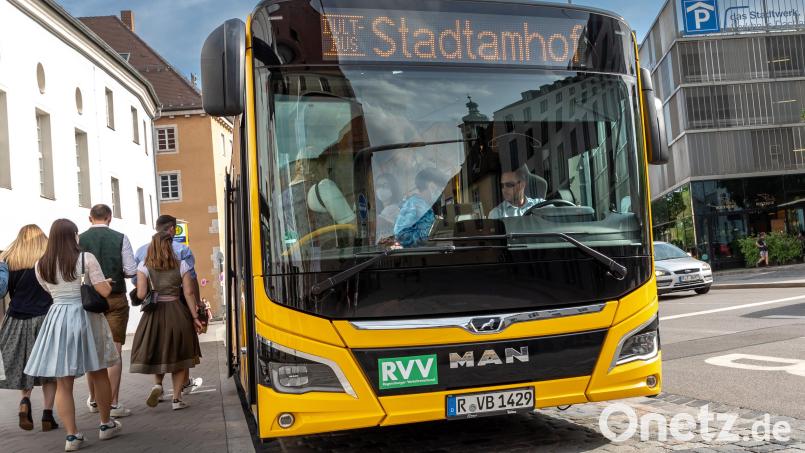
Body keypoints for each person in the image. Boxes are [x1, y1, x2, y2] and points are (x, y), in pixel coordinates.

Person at [24, 219, 122, 451]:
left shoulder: (41, 264)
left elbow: (49, 290)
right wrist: (103, 282)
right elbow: (104, 291)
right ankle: (106, 425)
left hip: (58, 318)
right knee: (98, 371)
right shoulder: (85, 259)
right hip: (85, 317)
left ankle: (72, 436)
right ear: (74, 235)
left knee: (63, 381)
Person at [132, 214, 202, 404]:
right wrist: (195, 316)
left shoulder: (143, 265)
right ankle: (177, 399)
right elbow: (188, 292)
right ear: (171, 241)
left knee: (159, 349)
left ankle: (157, 385)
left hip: (154, 314)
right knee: (180, 355)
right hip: (177, 310)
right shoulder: (182, 264)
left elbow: (140, 294)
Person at [79, 204, 136, 418]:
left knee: (92, 350)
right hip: (115, 297)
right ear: (110, 217)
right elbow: (130, 271)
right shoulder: (120, 237)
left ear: (90, 218)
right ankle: (112, 403)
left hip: (89, 299)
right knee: (115, 351)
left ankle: (94, 400)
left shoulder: (79, 239)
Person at [0, 225, 58, 431]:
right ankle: (47, 415)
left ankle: (25, 402)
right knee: (50, 369)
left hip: (16, 318)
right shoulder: (48, 259)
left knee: (25, 365)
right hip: (46, 318)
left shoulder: (9, 259)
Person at [394, 169, 444, 247]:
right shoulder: (416, 205)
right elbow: (400, 234)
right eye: (440, 188)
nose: (441, 192)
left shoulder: (421, 205)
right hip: (418, 255)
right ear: (432, 186)